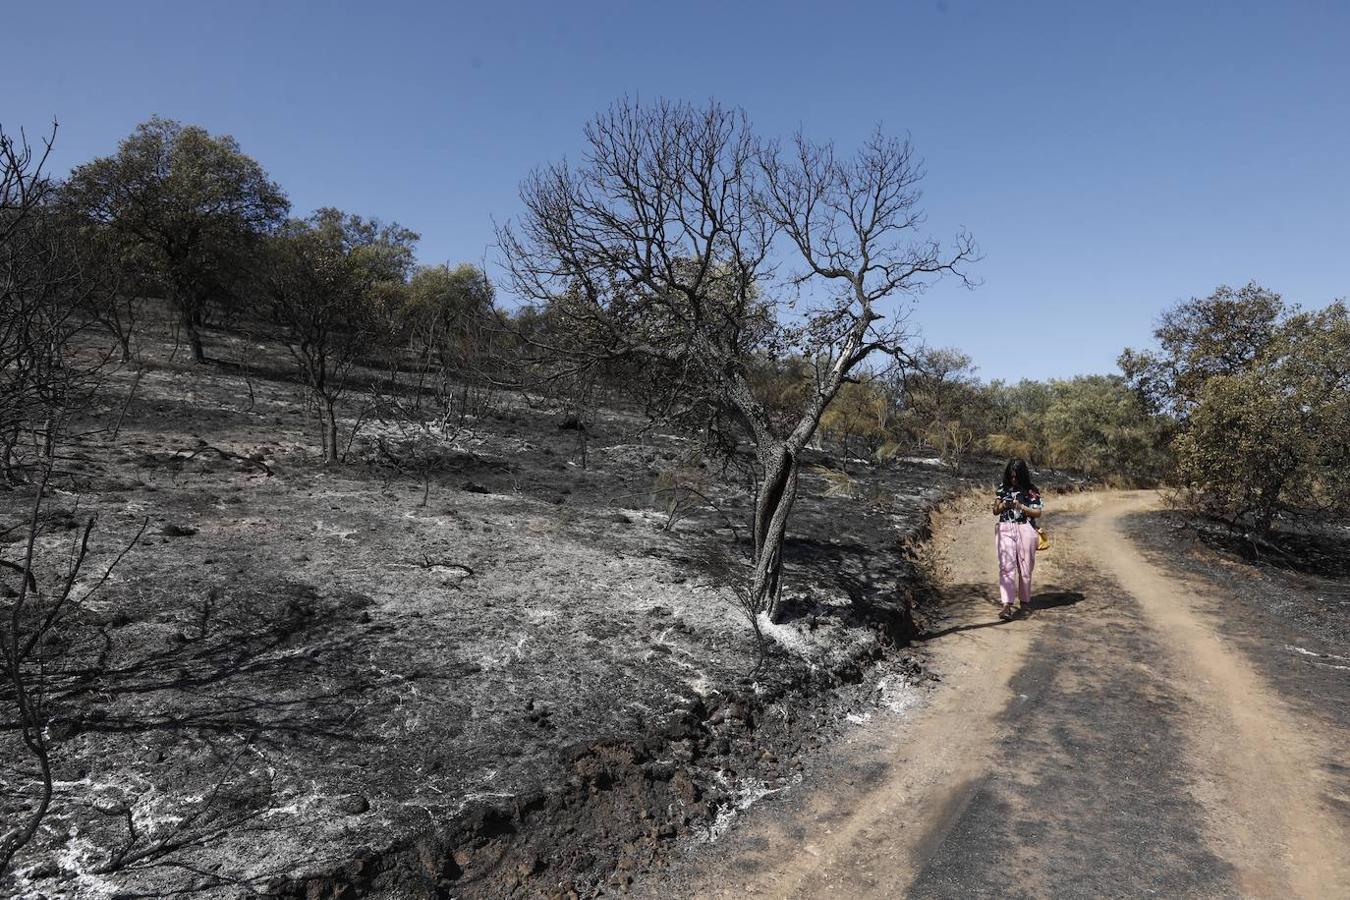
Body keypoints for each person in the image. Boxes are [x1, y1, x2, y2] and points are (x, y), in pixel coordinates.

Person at [992, 457, 1042, 620]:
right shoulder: (1002, 488)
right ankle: (1007, 605)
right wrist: (1004, 505)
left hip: (1025, 529)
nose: (1013, 479)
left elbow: (1037, 512)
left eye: (1016, 476)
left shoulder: (1031, 490)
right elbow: (995, 510)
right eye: (1011, 476)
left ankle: (1025, 603)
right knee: (1006, 566)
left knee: (1025, 568)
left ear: (1022, 475)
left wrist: (1021, 507)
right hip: (1005, 527)